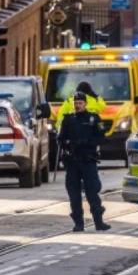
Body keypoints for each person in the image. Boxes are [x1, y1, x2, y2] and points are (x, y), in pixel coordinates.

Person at [57, 93, 110, 232]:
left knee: (92, 192)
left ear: (85, 104)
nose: (77, 105)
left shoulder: (93, 118)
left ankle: (99, 222)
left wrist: (85, 142)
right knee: (74, 194)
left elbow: (101, 139)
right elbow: (60, 139)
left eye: (80, 103)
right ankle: (78, 223)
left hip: (88, 160)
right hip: (73, 162)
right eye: (76, 103)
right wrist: (67, 143)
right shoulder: (68, 120)